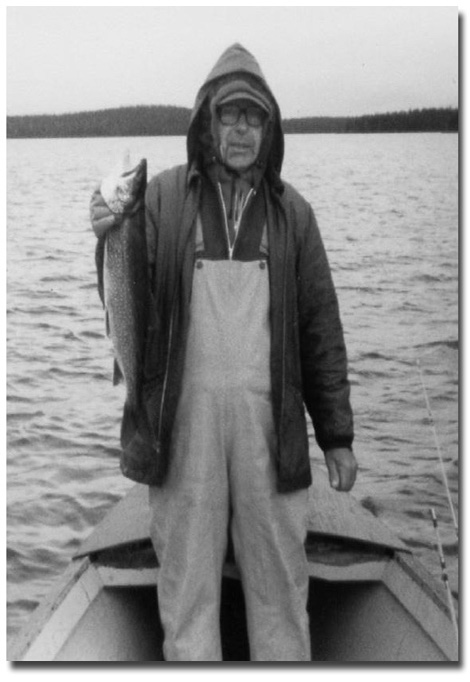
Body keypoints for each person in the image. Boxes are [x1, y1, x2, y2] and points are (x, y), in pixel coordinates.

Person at [91, 43, 357, 662]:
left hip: (272, 432)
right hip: (183, 430)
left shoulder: (295, 216)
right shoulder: (159, 199)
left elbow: (321, 328)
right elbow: (123, 293)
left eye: (253, 117)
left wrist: (337, 434)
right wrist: (107, 235)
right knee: (185, 591)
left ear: (269, 130)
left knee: (281, 591)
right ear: (207, 124)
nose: (240, 129)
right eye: (229, 115)